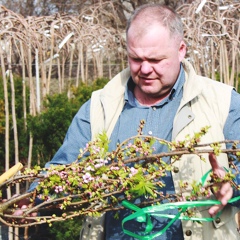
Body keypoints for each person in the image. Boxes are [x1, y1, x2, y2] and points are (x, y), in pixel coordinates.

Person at [31, 3, 240, 240]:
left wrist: (232, 184)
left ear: (181, 49)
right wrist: (33, 198)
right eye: (136, 59)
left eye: (156, 59)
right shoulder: (100, 107)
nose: (145, 69)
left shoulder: (223, 102)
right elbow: (62, 171)